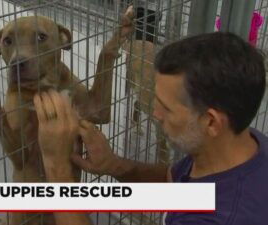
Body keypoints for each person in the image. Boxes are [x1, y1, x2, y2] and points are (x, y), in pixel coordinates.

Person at [33, 32, 268, 225]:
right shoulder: (243, 146)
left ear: (211, 122)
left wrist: (57, 169)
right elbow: (173, 183)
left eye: (166, 107)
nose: (155, 113)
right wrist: (113, 165)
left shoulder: (225, 217)